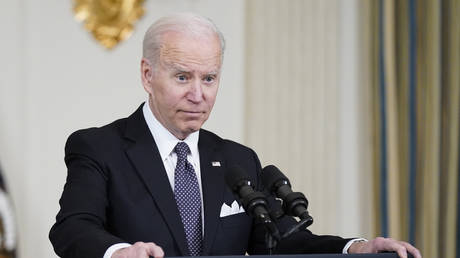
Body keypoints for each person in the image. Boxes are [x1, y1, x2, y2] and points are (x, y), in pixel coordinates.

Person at [49, 13, 421, 258]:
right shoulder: (99, 147)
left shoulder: (237, 160)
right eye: (182, 77)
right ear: (148, 75)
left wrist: (355, 248)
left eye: (209, 78)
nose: (198, 94)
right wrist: (118, 252)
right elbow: (72, 228)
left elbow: (283, 242)